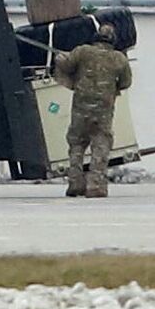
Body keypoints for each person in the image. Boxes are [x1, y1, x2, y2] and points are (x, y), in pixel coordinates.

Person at [52, 25, 132, 198]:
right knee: (101, 145)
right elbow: (126, 82)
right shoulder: (119, 59)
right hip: (104, 108)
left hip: (81, 106)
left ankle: (75, 182)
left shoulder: (82, 52)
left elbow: (66, 64)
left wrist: (59, 57)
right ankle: (95, 185)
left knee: (77, 143)